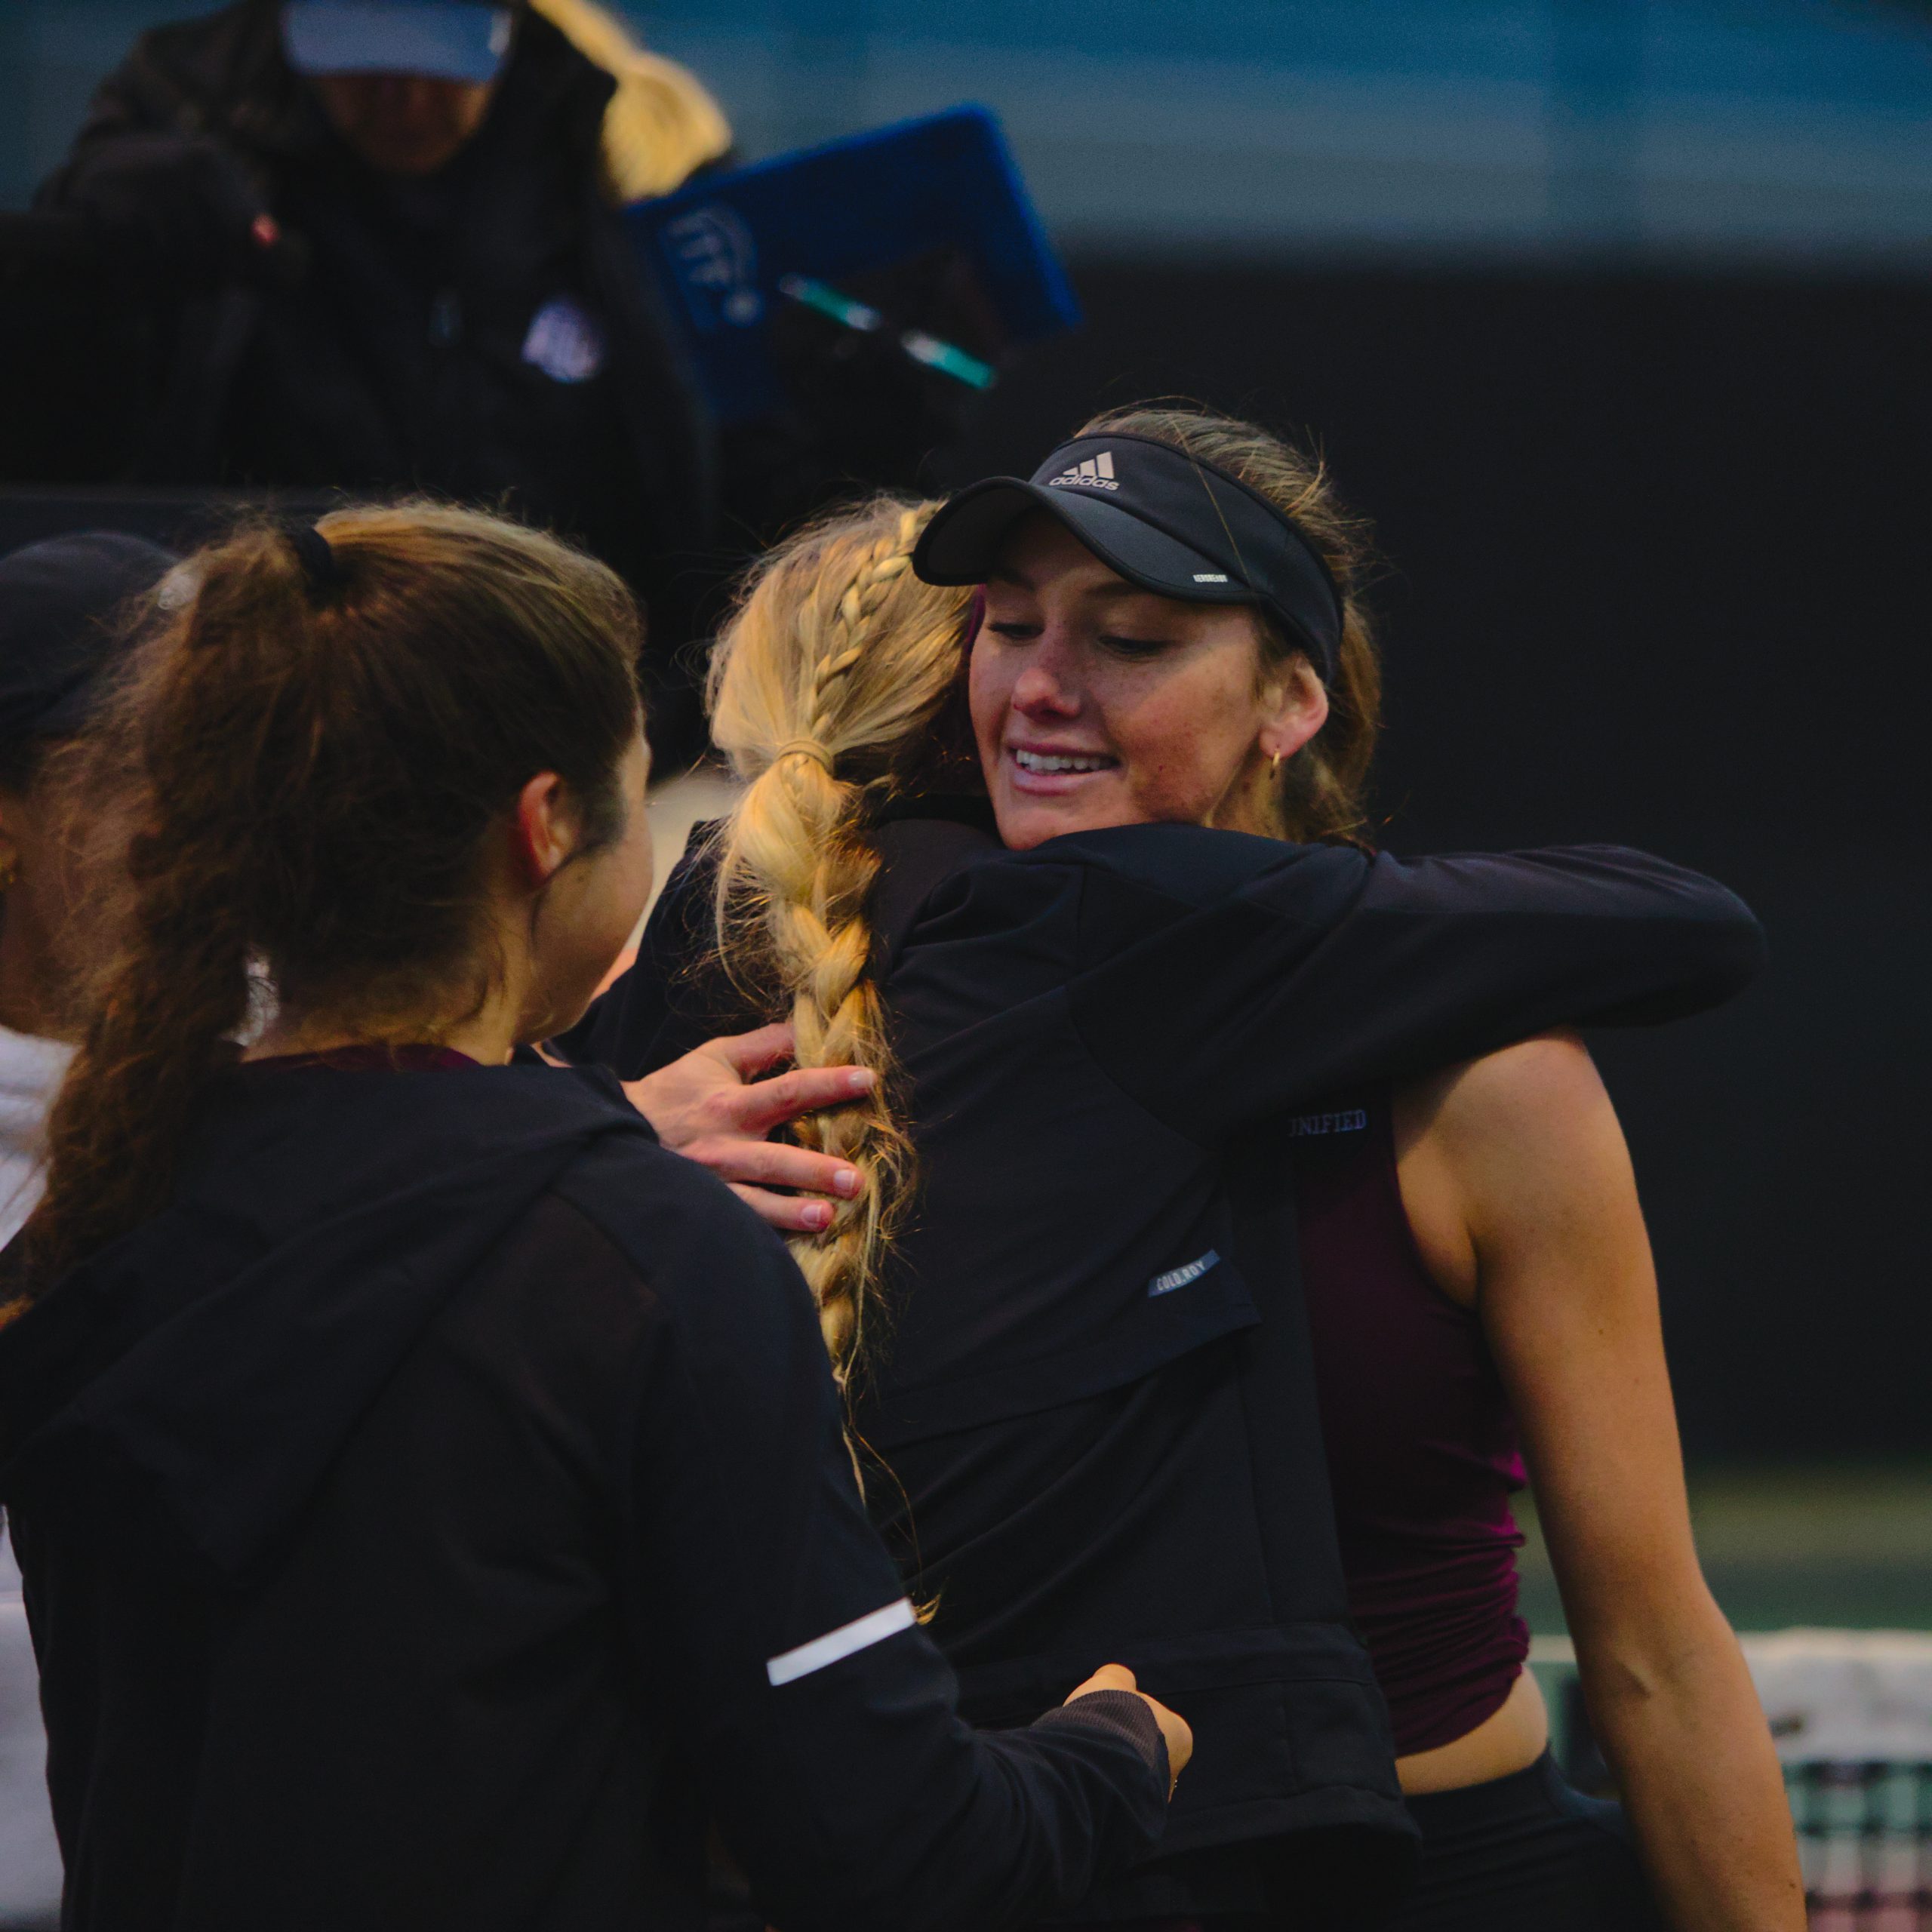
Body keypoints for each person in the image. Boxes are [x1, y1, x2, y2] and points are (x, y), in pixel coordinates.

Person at [560, 459, 1775, 1924]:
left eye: (1129, 641)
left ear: (1288, 701)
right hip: (1023, 1865)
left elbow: (1648, 1644)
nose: (1039, 688)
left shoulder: (1486, 1081)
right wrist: (595, 1145)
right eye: (1006, 628)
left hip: (1443, 1860)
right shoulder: (803, 1016)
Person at [0, 505, 1192, 1932]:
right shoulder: (635, 1259)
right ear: (547, 825)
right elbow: (900, 1845)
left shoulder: (101, 1214)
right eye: (642, 784)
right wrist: (1117, 1750)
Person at [15, 0, 961, 764]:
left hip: (595, 741)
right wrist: (83, 274)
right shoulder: (173, 145)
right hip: (265, 742)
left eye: (440, 52)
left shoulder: (642, 161)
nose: (402, 95)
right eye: (359, 52)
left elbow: (749, 497)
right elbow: (70, 465)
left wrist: (864, 422)